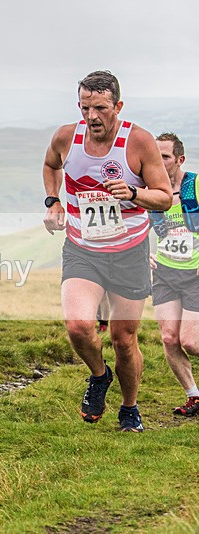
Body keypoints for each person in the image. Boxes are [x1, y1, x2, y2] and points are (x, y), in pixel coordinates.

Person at [43, 70, 171, 432]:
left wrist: (133, 193)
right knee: (78, 325)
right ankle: (99, 376)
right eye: (85, 108)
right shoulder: (67, 137)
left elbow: (162, 198)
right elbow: (51, 165)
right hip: (83, 249)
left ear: (118, 106)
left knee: (124, 340)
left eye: (100, 108)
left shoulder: (139, 142)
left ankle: (130, 407)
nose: (92, 116)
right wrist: (53, 202)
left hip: (129, 251)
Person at [149, 132, 199, 416]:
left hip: (195, 274)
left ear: (179, 159)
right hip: (166, 273)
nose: (159, 161)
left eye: (165, 156)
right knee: (169, 338)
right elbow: (131, 226)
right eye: (155, 156)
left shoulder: (195, 185)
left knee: (191, 342)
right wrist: (144, 253)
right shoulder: (149, 191)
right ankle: (194, 395)